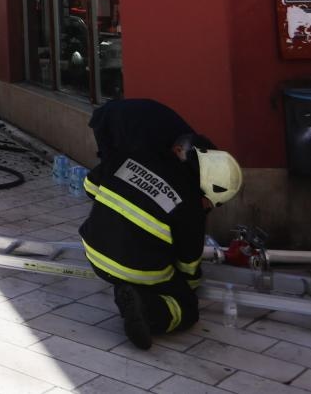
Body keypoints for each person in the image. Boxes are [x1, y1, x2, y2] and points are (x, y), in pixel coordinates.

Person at [79, 97, 242, 350]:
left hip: (92, 250)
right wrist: (187, 287)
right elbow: (188, 262)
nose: (208, 208)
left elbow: (89, 186)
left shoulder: (138, 154)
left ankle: (131, 289)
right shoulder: (190, 205)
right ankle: (147, 309)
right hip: (136, 269)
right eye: (211, 202)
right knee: (186, 308)